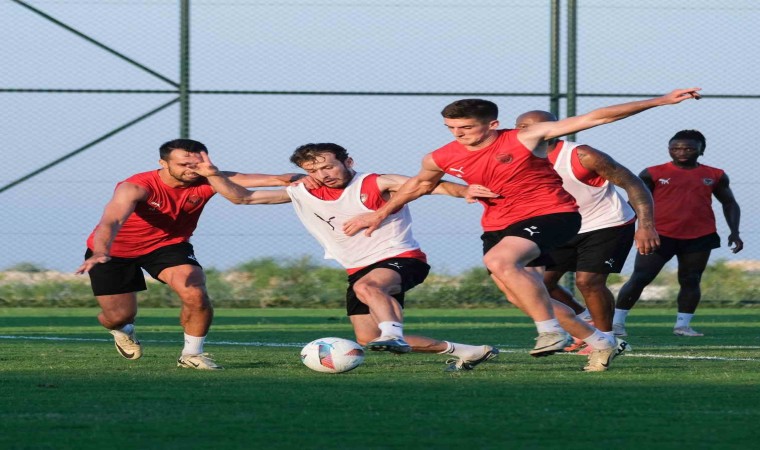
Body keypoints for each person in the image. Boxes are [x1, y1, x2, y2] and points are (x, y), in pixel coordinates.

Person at [342, 88, 702, 372]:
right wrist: (379, 214)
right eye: (451, 128)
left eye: (466, 128)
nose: (459, 134)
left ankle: (550, 333)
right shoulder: (441, 156)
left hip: (553, 214)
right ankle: (602, 341)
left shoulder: (525, 138)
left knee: (502, 262)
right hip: (499, 224)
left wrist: (661, 101)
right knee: (522, 294)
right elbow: (419, 185)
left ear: (492, 124)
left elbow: (598, 117)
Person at [191, 143, 501, 372]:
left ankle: (392, 333)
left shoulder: (375, 182)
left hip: (403, 258)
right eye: (314, 170)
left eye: (328, 167)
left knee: (370, 290)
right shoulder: (302, 191)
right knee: (367, 337)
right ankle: (468, 351)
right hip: (358, 269)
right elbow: (242, 198)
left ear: (348, 161)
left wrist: (465, 191)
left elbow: (427, 185)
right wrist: (213, 174)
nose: (322, 175)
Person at [75, 138, 304, 370]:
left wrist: (313, 180)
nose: (191, 170)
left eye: (196, 164)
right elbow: (111, 221)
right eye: (183, 164)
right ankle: (122, 330)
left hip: (167, 245)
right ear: (163, 163)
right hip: (113, 251)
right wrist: (100, 251)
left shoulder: (209, 177)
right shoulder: (135, 186)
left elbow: (277, 179)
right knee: (119, 316)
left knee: (195, 293)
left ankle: (192, 355)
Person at [513, 110, 658, 354]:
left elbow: (633, 183)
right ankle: (585, 324)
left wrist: (646, 225)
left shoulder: (582, 155)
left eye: (532, 126)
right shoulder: (513, 158)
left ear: (555, 127)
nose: (526, 131)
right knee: (539, 283)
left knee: (588, 281)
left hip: (607, 223)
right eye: (521, 126)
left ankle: (608, 340)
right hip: (561, 226)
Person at [613, 129, 743, 337]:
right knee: (641, 277)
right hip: (659, 235)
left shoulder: (715, 175)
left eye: (688, 148)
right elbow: (635, 202)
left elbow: (729, 203)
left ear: (701, 150)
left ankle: (683, 326)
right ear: (669, 149)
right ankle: (617, 323)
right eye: (675, 148)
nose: (681, 152)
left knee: (691, 279)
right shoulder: (652, 173)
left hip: (700, 236)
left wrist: (734, 231)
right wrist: (629, 229)